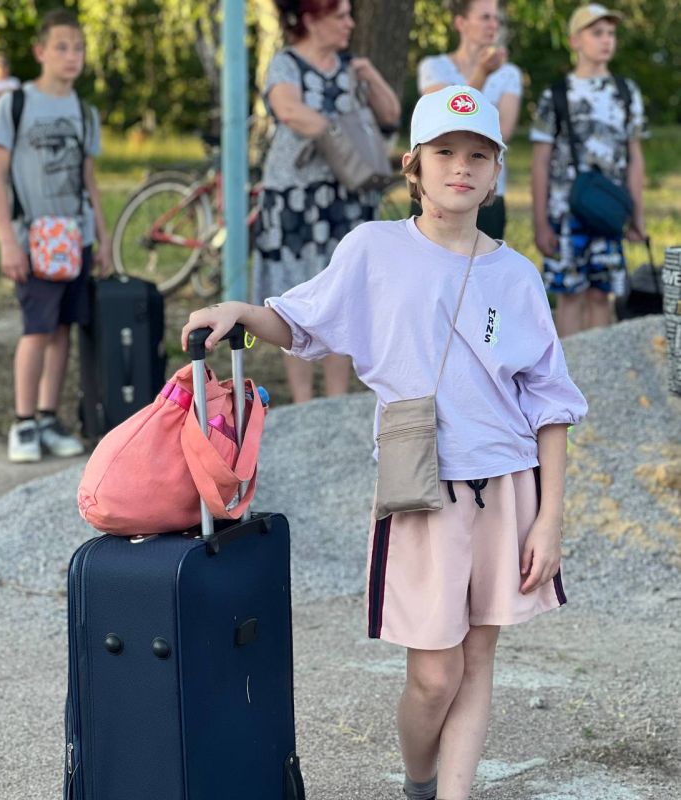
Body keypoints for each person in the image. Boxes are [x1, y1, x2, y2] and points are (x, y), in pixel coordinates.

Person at [183, 86, 587, 800]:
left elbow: (550, 405)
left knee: (477, 658)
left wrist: (549, 520)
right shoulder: (374, 249)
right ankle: (419, 780)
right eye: (444, 152)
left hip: (507, 486)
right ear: (414, 166)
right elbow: (300, 321)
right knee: (433, 674)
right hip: (419, 485)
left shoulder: (518, 276)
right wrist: (240, 310)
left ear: (495, 172)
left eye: (477, 156)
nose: (460, 167)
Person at [253, 0, 400, 403]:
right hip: (297, 200)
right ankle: (303, 403)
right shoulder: (286, 64)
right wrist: (341, 138)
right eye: (340, 16)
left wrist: (370, 75)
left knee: (343, 297)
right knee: (295, 297)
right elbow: (288, 109)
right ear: (312, 19)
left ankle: (335, 401)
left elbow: (390, 114)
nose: (350, 24)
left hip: (346, 200)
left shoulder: (352, 67)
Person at [0, 8, 111, 463]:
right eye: (61, 47)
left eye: (78, 48)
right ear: (40, 52)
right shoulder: (15, 104)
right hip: (34, 240)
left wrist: (103, 238)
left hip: (75, 240)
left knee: (62, 329)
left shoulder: (84, 112)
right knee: (37, 328)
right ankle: (22, 422)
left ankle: (47, 417)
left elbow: (89, 181)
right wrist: (7, 240)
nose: (71, 56)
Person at [530, 3, 648, 337]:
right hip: (565, 214)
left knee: (601, 295)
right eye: (597, 33)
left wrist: (637, 216)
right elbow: (540, 161)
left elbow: (635, 158)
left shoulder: (626, 92)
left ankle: (598, 365)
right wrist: (540, 223)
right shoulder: (556, 95)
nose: (607, 40)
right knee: (570, 296)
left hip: (608, 214)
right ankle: (570, 367)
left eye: (611, 33)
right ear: (575, 41)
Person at [417, 0, 522, 240]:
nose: (493, 25)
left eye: (496, 19)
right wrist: (482, 73)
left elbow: (502, 132)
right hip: (437, 190)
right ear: (461, 23)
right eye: (485, 17)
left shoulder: (509, 73)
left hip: (487, 193)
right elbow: (441, 119)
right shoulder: (434, 67)